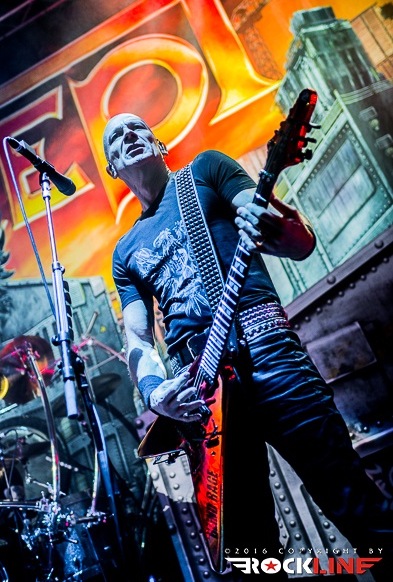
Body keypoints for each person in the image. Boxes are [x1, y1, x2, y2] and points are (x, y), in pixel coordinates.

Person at [104, 113, 392, 580]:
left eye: (137, 128)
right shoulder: (125, 251)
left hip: (266, 351)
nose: (129, 136)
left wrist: (272, 221)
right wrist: (155, 392)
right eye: (117, 137)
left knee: (350, 498)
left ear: (158, 143)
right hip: (204, 395)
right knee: (247, 552)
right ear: (112, 167)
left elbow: (292, 238)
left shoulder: (205, 170)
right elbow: (138, 337)